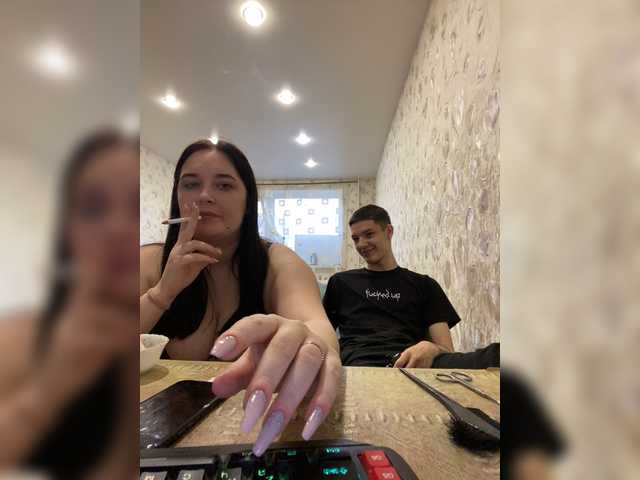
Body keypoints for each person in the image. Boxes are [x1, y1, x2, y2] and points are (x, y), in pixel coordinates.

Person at [139, 139, 341, 456]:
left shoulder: (278, 261)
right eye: (191, 184)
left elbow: (315, 324)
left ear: (248, 202)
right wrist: (162, 293)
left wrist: (311, 344)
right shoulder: (149, 261)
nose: (204, 196)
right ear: (177, 198)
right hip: (156, 440)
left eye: (224, 185)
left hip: (249, 438)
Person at [0, 129, 139, 478]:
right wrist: (51, 385)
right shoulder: (19, 336)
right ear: (67, 229)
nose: (118, 228)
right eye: (93, 207)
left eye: (137, 206)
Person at [323, 204, 461, 367]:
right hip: (356, 367)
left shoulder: (425, 285)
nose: (361, 244)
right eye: (356, 239)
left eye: (369, 235)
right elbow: (321, 336)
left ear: (388, 231)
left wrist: (432, 349)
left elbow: (447, 351)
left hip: (408, 367)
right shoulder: (340, 283)